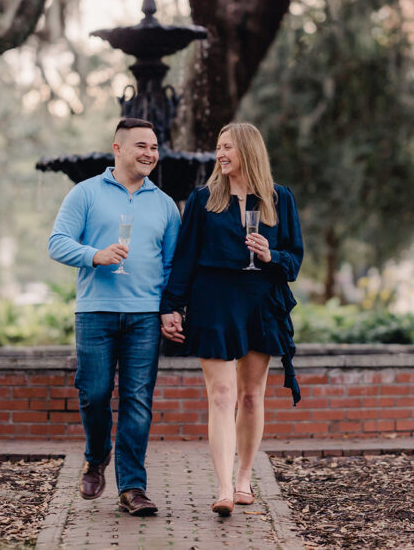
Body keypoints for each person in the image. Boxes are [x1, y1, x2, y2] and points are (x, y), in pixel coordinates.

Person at [159, 121, 303, 517]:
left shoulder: (280, 199)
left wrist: (271, 255)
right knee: (222, 396)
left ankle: (243, 479)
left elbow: (295, 260)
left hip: (262, 303)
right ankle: (223, 488)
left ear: (249, 152)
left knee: (252, 395)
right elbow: (185, 259)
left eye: (229, 147)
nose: (221, 154)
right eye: (219, 147)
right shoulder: (204, 200)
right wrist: (171, 306)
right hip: (215, 301)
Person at [48, 117, 181, 517]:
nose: (150, 154)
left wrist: (171, 309)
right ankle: (95, 455)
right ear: (118, 148)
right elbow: (57, 243)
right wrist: (95, 255)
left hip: (143, 315)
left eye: (155, 147)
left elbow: (172, 265)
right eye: (142, 145)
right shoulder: (85, 194)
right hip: (95, 312)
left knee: (138, 402)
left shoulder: (164, 204)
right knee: (93, 393)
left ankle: (133, 488)